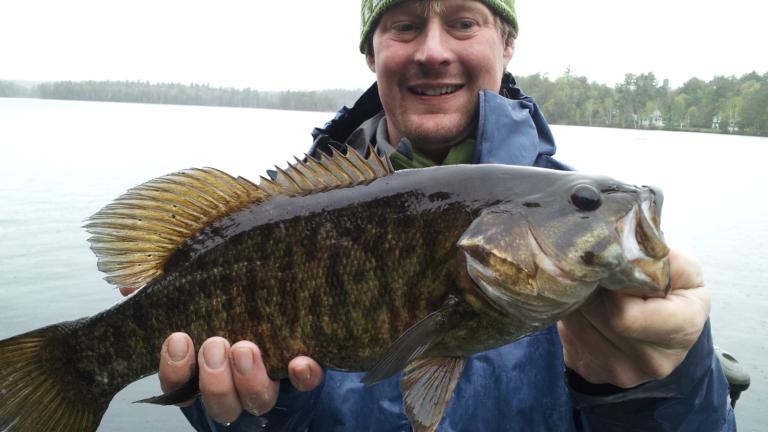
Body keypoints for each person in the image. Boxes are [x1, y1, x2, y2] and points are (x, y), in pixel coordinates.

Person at [123, 0, 736, 430]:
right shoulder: (286, 213)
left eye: (464, 22)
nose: (434, 51)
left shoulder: (579, 244)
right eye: (405, 25)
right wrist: (251, 412)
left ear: (507, 44)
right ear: (372, 53)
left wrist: (664, 384)